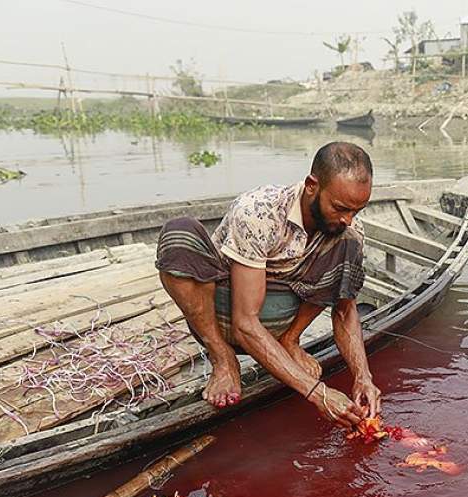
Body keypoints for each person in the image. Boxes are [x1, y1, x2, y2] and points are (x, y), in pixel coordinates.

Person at [154, 142, 381, 429]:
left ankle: (289, 341)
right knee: (179, 234)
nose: (348, 219)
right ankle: (222, 357)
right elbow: (244, 323)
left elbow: (345, 311)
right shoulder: (258, 212)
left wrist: (363, 377)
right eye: (339, 208)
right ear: (312, 185)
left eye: (357, 211)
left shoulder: (348, 230)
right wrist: (317, 392)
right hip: (226, 313)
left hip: (282, 317)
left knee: (348, 242)